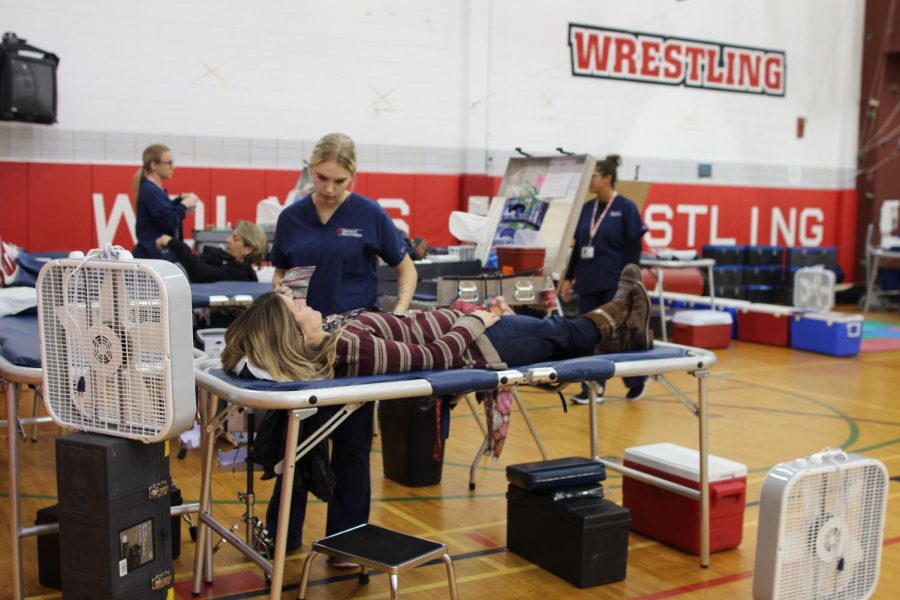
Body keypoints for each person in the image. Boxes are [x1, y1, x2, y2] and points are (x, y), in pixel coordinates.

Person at [264, 132, 418, 560]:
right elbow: (280, 273)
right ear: (310, 169)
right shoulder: (292, 218)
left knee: (352, 448)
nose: (329, 188)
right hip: (301, 347)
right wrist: (281, 296)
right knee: (295, 444)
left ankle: (346, 544)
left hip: (355, 348)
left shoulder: (369, 215)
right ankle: (282, 537)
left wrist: (399, 313)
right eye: (321, 177)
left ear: (353, 176)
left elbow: (406, 270)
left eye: (339, 180)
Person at [222, 264, 650, 382]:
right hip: (481, 344)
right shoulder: (350, 347)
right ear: (298, 333)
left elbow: (244, 348)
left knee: (561, 336)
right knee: (562, 333)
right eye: (296, 307)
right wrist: (480, 318)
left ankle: (625, 330)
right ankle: (622, 318)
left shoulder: (332, 334)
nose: (301, 301)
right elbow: (433, 359)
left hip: (472, 330)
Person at [559, 154, 648, 404]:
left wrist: (634, 283)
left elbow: (634, 248)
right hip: (589, 280)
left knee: (616, 334)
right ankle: (592, 386)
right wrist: (568, 278)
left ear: (608, 178)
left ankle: (636, 379)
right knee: (589, 332)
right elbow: (578, 249)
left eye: (594, 176)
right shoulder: (587, 209)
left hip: (615, 283)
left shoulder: (626, 208)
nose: (590, 180)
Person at [132, 144, 199, 260]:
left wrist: (179, 200)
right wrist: (185, 204)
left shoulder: (154, 190)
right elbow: (169, 220)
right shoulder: (150, 191)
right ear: (154, 165)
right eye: (169, 162)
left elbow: (163, 212)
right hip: (153, 256)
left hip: (155, 255)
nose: (173, 167)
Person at [154, 220, 267, 283]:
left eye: (235, 239)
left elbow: (199, 272)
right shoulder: (227, 262)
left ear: (248, 249)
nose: (228, 240)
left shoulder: (240, 274)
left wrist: (172, 243)